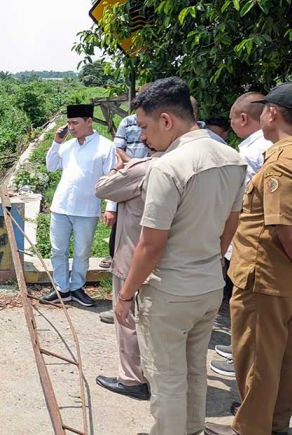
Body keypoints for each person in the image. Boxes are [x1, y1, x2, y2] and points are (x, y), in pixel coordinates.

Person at [114, 77, 246, 434]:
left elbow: (151, 245)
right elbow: (228, 229)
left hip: (169, 293)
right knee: (193, 372)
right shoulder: (232, 158)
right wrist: (206, 264)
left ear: (167, 120)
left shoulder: (167, 167)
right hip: (207, 285)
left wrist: (126, 294)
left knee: (167, 379)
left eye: (144, 127)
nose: (143, 137)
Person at [204, 83, 292, 435]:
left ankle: (250, 429)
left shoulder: (280, 164)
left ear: (271, 113)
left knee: (257, 360)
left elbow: (285, 230)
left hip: (264, 278)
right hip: (280, 281)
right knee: (282, 360)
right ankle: (274, 424)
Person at [209, 92, 273, 378]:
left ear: (243, 118)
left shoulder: (249, 152)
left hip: (248, 238)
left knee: (247, 306)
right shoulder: (266, 145)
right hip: (254, 237)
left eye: (233, 119)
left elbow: (240, 200)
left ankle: (243, 361)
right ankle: (239, 350)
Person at [94, 146, 159, 401]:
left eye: (144, 126)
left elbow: (103, 187)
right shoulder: (221, 157)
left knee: (127, 318)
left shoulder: (143, 168)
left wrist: (120, 167)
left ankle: (132, 379)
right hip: (178, 263)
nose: (142, 135)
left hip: (135, 253)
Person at [41, 104, 116, 307]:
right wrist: (57, 141)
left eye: (75, 123)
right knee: (58, 250)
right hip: (61, 206)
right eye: (69, 123)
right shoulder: (68, 146)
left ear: (89, 121)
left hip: (87, 209)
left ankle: (76, 288)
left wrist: (111, 207)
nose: (71, 128)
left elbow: (113, 179)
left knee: (82, 252)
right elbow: (50, 165)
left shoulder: (105, 146)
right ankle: (61, 289)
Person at [100, 82, 152, 324]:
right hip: (129, 188)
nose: (143, 135)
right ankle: (122, 303)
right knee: (122, 249)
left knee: (149, 247)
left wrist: (134, 167)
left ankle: (134, 306)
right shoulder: (127, 122)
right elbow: (117, 155)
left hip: (151, 187)